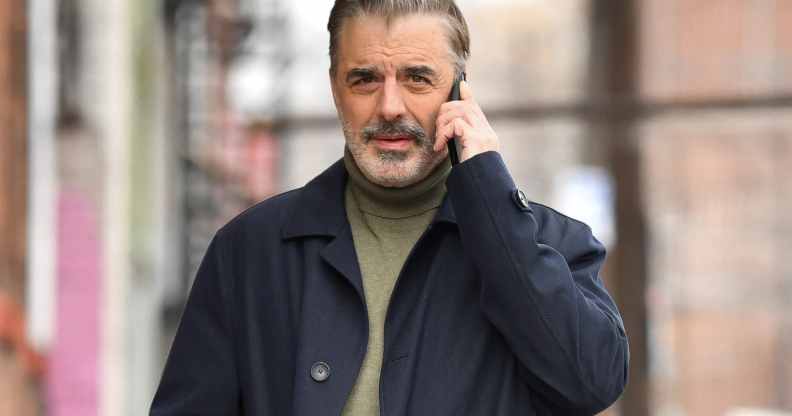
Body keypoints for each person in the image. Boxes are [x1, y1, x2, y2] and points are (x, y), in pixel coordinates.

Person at [150, 1, 629, 415]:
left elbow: (591, 383)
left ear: (459, 91)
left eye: (417, 79)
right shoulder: (250, 251)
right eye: (365, 80)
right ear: (336, 89)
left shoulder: (552, 244)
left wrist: (490, 192)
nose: (390, 107)